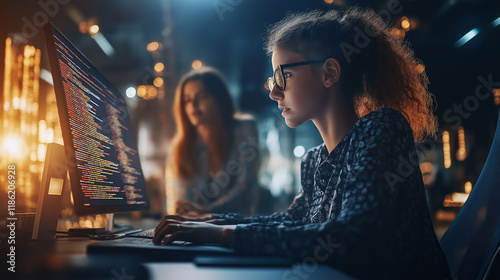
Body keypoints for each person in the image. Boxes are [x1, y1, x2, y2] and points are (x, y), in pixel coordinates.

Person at [154, 8, 452, 279]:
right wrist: (211, 222)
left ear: (329, 73)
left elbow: (352, 237)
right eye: (273, 80)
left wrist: (222, 234)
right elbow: (291, 221)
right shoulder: (314, 160)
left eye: (284, 75)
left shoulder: (382, 127)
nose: (274, 93)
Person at [167, 67, 260, 217]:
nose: (193, 104)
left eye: (202, 96)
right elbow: (181, 197)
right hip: (194, 229)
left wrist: (207, 211)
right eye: (187, 100)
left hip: (234, 228)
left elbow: (244, 189)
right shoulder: (180, 147)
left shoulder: (244, 129)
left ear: (219, 99)